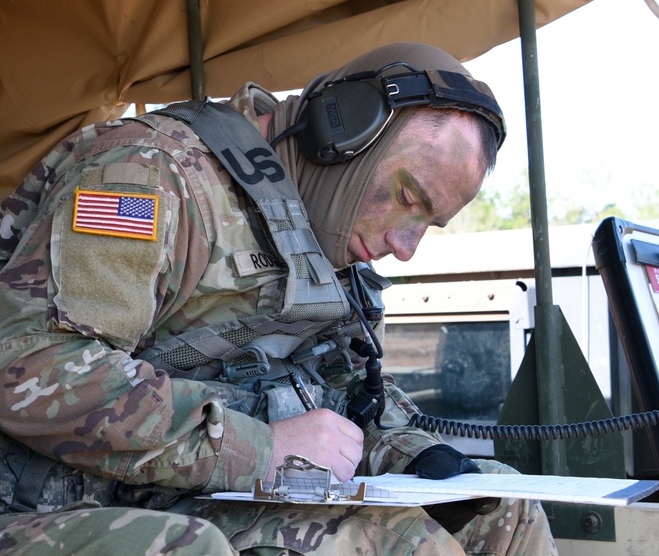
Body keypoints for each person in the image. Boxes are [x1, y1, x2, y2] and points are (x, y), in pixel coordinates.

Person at [0, 42, 558, 555]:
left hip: (179, 489)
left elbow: (345, 395)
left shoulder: (327, 232)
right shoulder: (148, 177)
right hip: (47, 503)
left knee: (501, 510)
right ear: (344, 133)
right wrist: (259, 448)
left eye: (429, 224)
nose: (405, 246)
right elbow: (30, 370)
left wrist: (414, 455)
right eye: (407, 197)